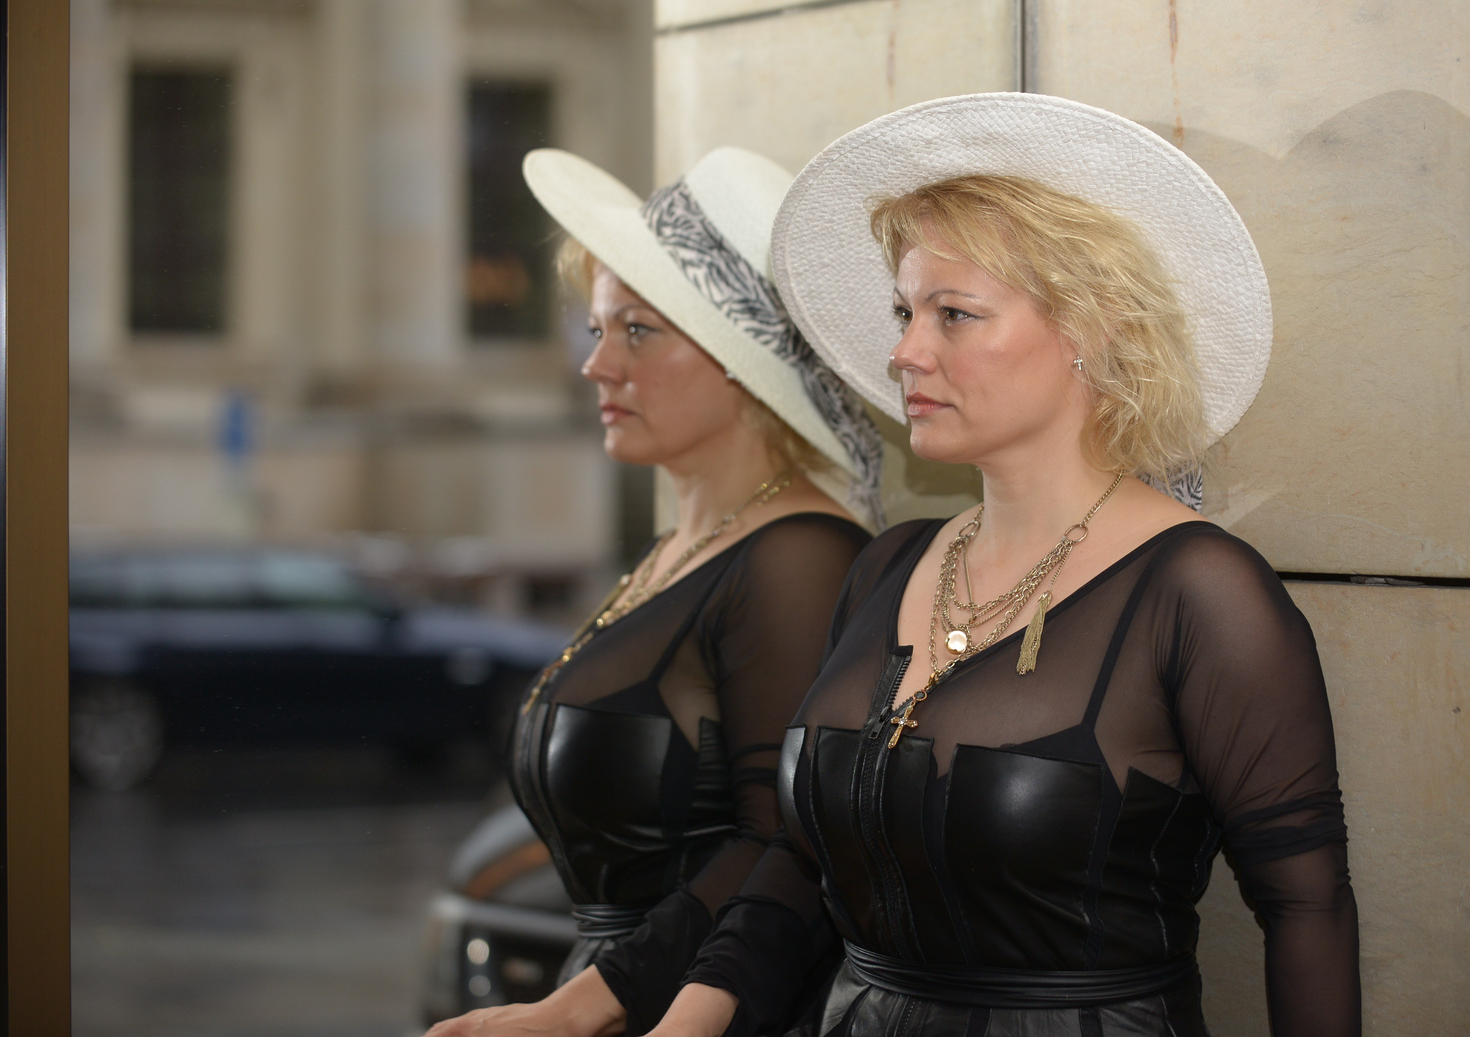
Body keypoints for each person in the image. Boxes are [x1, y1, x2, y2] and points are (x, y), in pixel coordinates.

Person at [649, 94, 1360, 1037]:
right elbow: (807, 863)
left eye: (955, 314)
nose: (905, 351)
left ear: (1091, 332)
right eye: (905, 311)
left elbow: (1306, 907)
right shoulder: (890, 566)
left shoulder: (1199, 591)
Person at [424, 147, 882, 1037]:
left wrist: (576, 1010)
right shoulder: (678, 548)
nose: (598, 366)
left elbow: (785, 844)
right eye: (597, 331)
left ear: (742, 357)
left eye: (638, 330)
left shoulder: (801, 558)